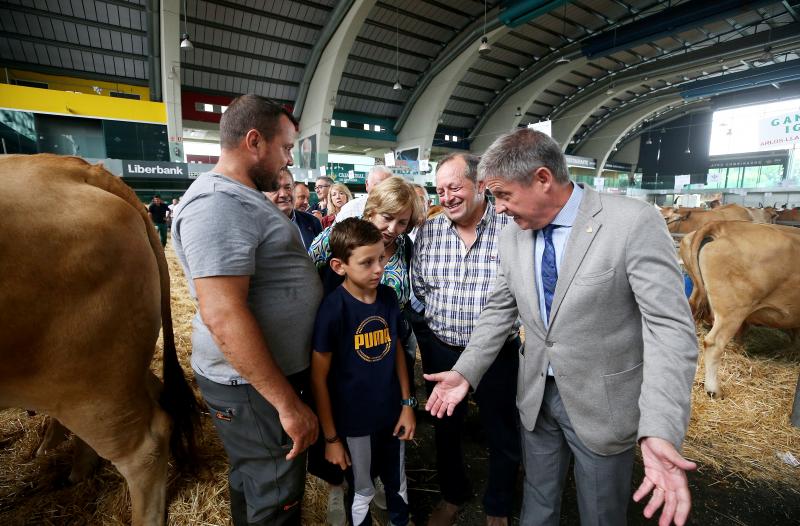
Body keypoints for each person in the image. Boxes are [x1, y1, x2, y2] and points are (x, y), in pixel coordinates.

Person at [425, 129, 698, 526]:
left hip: (602, 403)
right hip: (536, 396)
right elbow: (500, 308)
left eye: (503, 195)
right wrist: (467, 370)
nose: (497, 209)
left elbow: (669, 329)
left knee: (601, 514)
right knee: (537, 502)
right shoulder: (513, 236)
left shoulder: (630, 223)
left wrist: (659, 425)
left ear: (542, 179)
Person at [171, 94, 321, 526]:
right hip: (253, 384)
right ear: (255, 141)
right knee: (276, 492)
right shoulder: (220, 204)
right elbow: (223, 314)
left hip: (258, 380)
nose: (288, 159)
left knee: (256, 476)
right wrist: (287, 405)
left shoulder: (240, 197)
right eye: (286, 147)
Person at [411, 153, 520, 526]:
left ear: (481, 186)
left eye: (455, 187)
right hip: (443, 350)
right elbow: (421, 289)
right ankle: (452, 495)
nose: (447, 197)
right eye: (440, 190)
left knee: (502, 430)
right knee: (445, 429)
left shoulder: (512, 229)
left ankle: (498, 505)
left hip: (497, 354)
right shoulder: (428, 231)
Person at [308, 176, 423, 525]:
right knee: (354, 470)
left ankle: (385, 494)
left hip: (386, 367)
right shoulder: (338, 237)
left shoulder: (400, 255)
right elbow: (310, 267)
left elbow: (400, 343)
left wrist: (407, 402)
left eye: (402, 222)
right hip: (347, 363)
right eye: (387, 218)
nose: (393, 228)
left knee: (391, 468)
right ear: (371, 209)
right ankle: (340, 489)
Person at [265, 168, 322, 250]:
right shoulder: (253, 226)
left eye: (288, 187)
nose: (283, 194)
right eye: (275, 188)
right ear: (263, 194)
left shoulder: (312, 222)